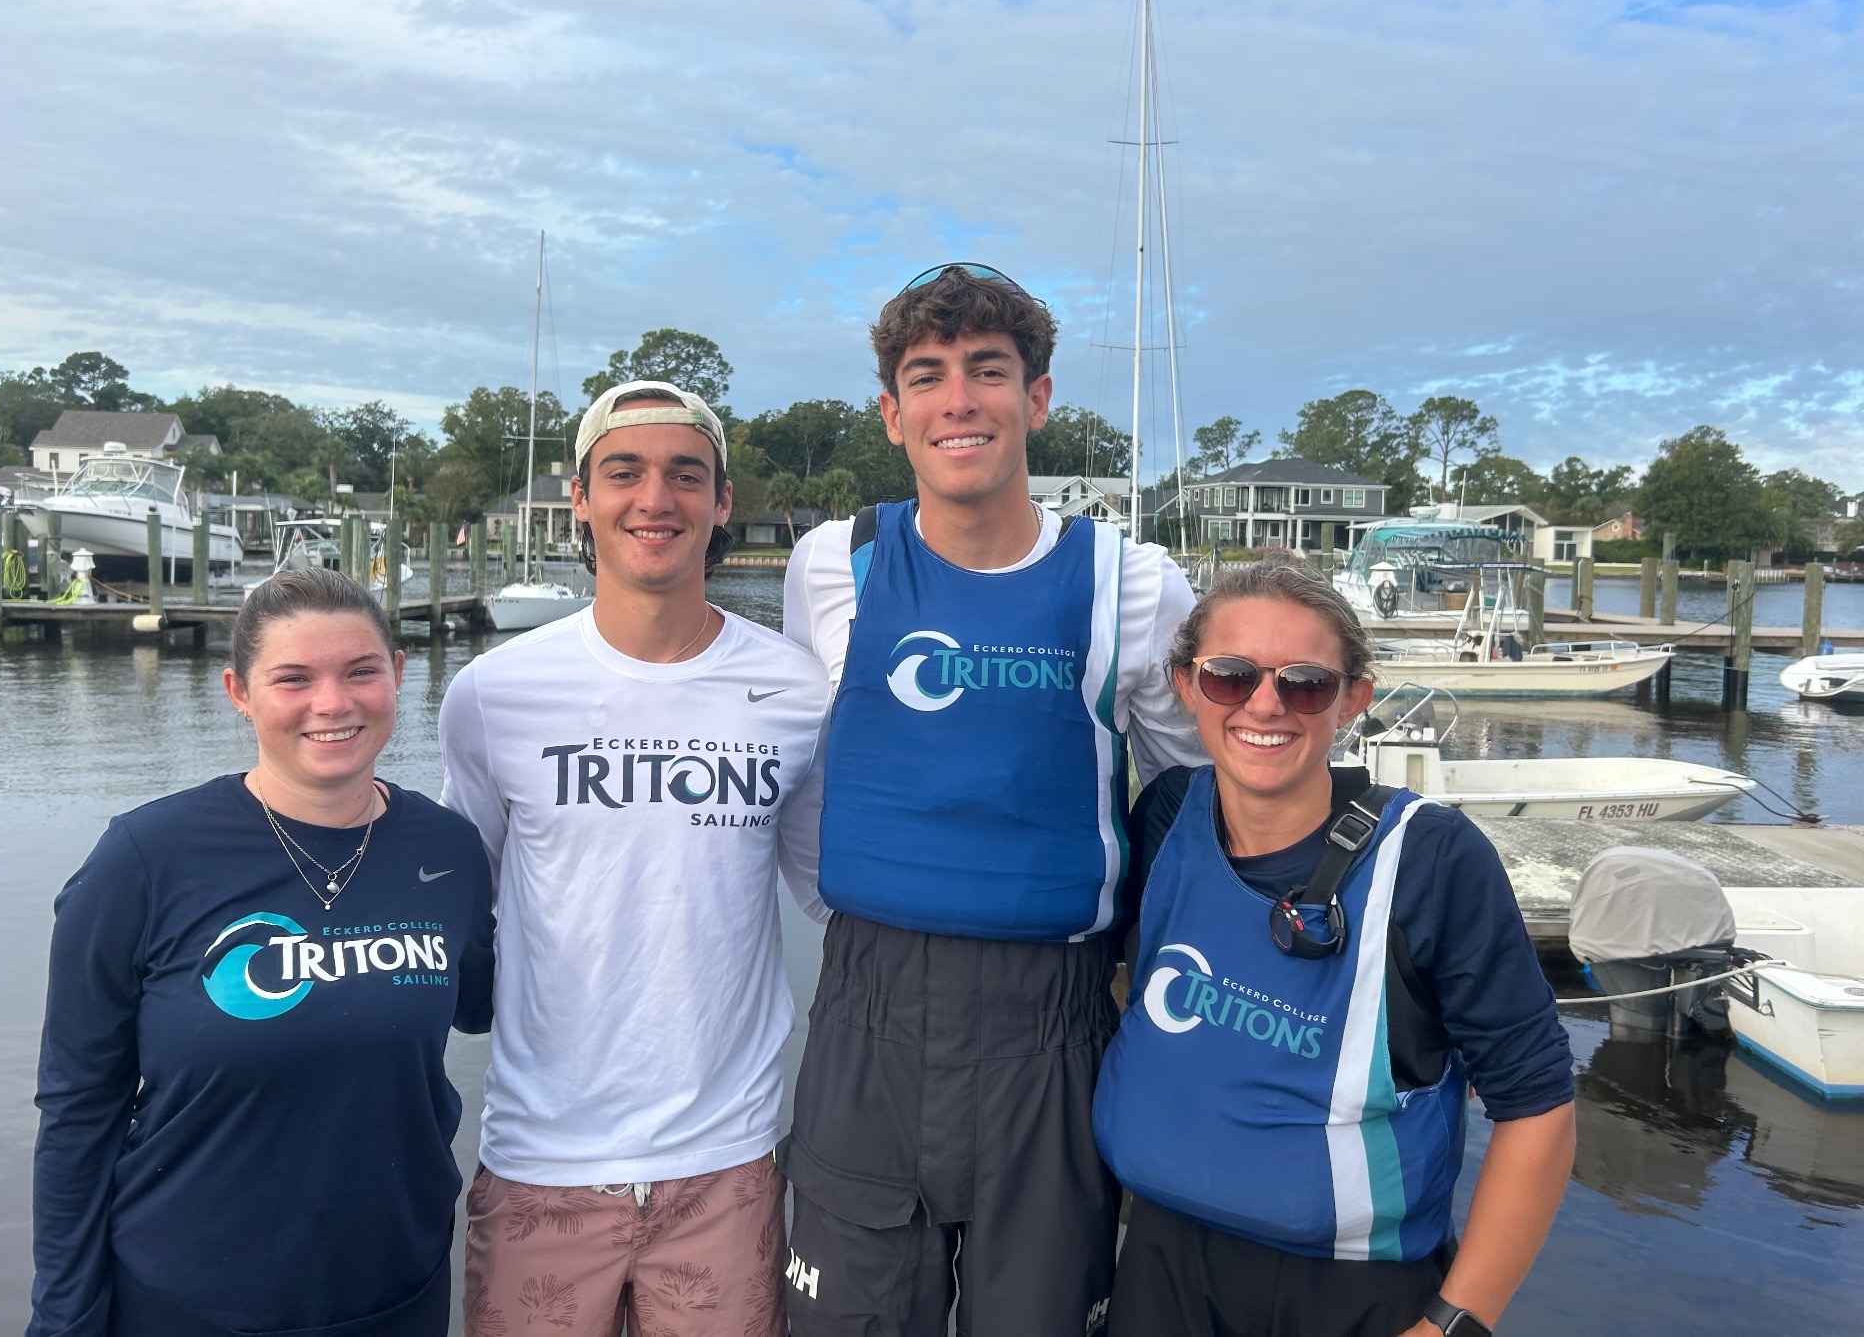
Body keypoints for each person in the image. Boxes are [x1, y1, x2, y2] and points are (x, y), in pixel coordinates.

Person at [778, 263, 1204, 1336]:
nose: (957, 399)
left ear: (1038, 399)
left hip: (1052, 1023)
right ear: (890, 414)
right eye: (926, 377)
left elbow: (1204, 801)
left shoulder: (1131, 585)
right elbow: (806, 769)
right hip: (868, 1010)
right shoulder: (834, 564)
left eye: (987, 371)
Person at [1093, 558, 1576, 1337]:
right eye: (1229, 675)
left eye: (1306, 683)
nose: (1265, 704)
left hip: (1352, 1294)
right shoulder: (1166, 816)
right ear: (1185, 686)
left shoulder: (1430, 861)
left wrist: (1454, 1322)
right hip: (1161, 1265)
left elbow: (1538, 1106)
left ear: (1355, 698)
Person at [439, 380, 830, 1337]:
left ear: (722, 503)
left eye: (685, 475)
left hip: (727, 1161)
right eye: (624, 472)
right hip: (541, 1159)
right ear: (579, 497)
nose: (655, 499)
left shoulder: (795, 689)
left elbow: (830, 895)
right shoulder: (493, 694)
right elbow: (456, 907)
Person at [27, 567, 495, 1337]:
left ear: (398, 675)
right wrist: (65, 1319)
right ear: (238, 691)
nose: (333, 703)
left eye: (360, 672)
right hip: (188, 1299)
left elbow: (482, 1000)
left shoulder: (447, 850)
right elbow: (80, 1106)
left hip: (396, 1287)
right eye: (293, 679)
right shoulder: (146, 858)